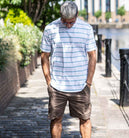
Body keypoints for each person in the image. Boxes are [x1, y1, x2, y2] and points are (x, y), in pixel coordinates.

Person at [40, 1, 97, 137]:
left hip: (80, 85)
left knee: (85, 119)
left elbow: (92, 56)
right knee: (56, 119)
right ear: (60, 15)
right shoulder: (50, 29)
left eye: (71, 22)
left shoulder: (86, 29)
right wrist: (49, 81)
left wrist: (88, 82)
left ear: (77, 15)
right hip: (57, 85)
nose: (68, 25)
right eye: (65, 22)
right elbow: (44, 56)